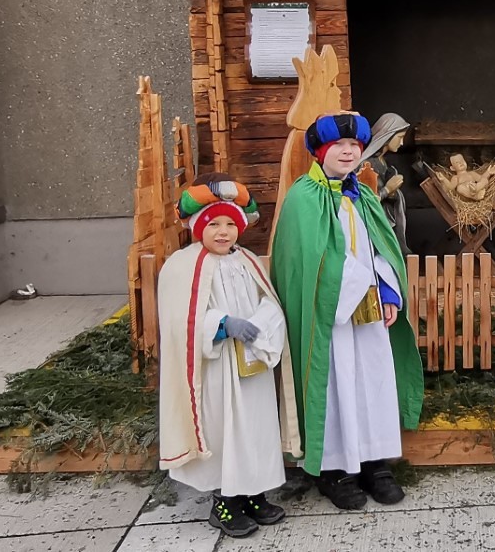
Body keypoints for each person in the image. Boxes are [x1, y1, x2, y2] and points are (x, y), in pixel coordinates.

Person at [271, 112, 424, 510]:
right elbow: (304, 261)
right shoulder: (303, 198)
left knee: (371, 381)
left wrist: (387, 291)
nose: (347, 152)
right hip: (330, 318)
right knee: (335, 385)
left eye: (354, 145)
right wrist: (355, 286)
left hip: (370, 315)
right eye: (338, 145)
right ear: (320, 151)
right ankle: (334, 468)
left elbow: (381, 248)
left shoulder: (365, 197)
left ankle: (374, 461)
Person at [158, 173, 301, 539]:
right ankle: (224, 503)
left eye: (230, 224)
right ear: (198, 227)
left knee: (255, 428)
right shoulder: (182, 265)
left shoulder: (248, 260)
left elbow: (270, 301)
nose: (223, 232)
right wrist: (222, 324)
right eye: (214, 224)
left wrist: (263, 322)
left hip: (252, 364)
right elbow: (179, 320)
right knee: (224, 430)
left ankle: (254, 493)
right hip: (216, 369)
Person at [359, 112, 412, 254]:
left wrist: (393, 193)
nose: (402, 143)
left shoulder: (382, 162)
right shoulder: (366, 165)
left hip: (387, 223)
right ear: (388, 135)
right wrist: (388, 189)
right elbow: (365, 201)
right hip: (375, 228)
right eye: (399, 137)